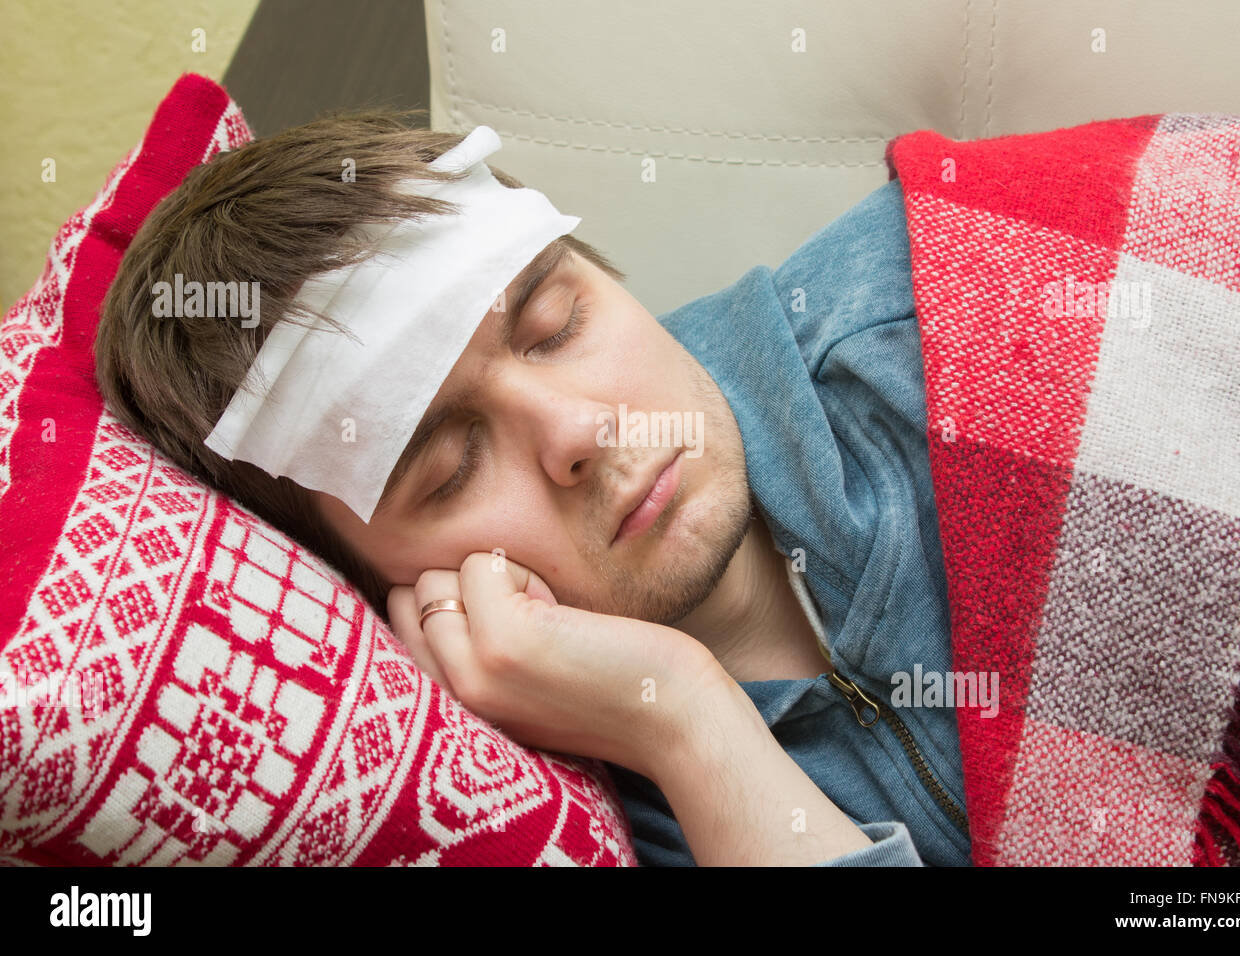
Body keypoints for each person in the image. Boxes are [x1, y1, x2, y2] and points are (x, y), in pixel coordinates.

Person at [95, 111, 971, 866]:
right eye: (451, 470)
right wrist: (683, 722)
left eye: (555, 326)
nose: (581, 432)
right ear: (370, 590)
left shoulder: (936, 306)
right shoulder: (562, 820)